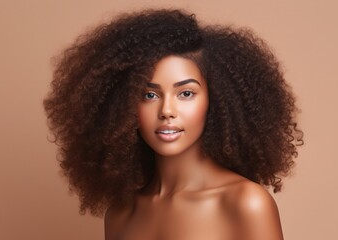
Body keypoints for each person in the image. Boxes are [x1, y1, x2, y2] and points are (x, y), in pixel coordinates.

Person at [44, 9, 303, 240]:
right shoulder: (120, 213)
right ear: (123, 106)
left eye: (186, 93)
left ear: (217, 100)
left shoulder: (245, 203)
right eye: (149, 95)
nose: (167, 111)